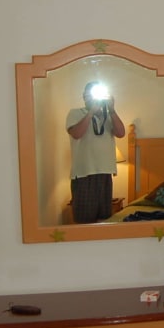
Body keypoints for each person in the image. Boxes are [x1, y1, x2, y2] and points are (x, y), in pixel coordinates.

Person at [66, 81, 126, 223]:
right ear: (84, 96)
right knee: (84, 221)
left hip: (105, 173)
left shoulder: (108, 116)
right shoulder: (75, 113)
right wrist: (91, 112)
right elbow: (77, 134)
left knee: (103, 220)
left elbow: (121, 133)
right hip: (84, 175)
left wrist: (112, 110)